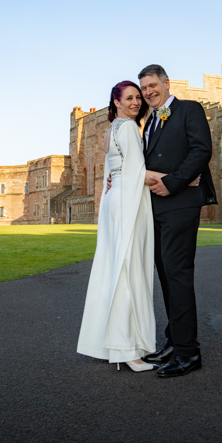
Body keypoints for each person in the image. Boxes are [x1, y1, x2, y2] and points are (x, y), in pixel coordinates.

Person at [138, 64, 217, 378]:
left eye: (153, 85)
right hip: (154, 210)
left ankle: (188, 352)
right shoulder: (150, 122)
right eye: (144, 88)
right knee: (167, 277)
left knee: (178, 276)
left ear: (167, 83)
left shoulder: (189, 110)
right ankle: (173, 342)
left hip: (181, 205)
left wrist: (174, 182)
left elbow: (202, 150)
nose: (149, 92)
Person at [77, 81, 159, 372]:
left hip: (114, 199)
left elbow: (115, 170)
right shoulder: (126, 128)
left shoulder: (109, 130)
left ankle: (117, 343)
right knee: (128, 268)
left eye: (139, 97)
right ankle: (128, 350)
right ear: (116, 102)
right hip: (127, 200)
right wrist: (184, 178)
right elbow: (137, 172)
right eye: (129, 98)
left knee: (115, 266)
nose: (136, 102)